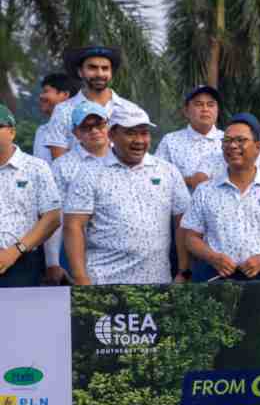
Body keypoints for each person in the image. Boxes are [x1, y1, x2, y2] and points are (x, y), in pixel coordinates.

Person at [62, 105, 190, 285]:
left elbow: (182, 223)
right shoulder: (89, 173)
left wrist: (184, 271)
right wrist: (82, 279)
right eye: (130, 133)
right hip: (102, 283)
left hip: (157, 283)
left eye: (144, 133)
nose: (139, 140)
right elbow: (73, 226)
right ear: (112, 135)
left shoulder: (167, 171)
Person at [181, 113, 260, 282]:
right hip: (214, 277)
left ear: (258, 146)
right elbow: (190, 237)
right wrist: (213, 257)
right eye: (227, 141)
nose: (232, 146)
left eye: (240, 140)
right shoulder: (205, 190)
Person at [44, 102, 112, 285]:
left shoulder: (125, 158)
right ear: (76, 133)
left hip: (116, 251)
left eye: (99, 125)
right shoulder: (62, 166)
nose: (95, 131)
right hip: (76, 251)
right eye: (86, 127)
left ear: (108, 125)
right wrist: (53, 262)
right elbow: (54, 216)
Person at [0, 105, 61, 287]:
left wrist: (16, 251)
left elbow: (52, 217)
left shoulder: (36, 167)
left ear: (11, 132)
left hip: (22, 262)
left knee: (18, 316)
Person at [44, 45, 140, 157]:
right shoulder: (63, 110)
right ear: (80, 72)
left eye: (105, 68)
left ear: (111, 73)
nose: (99, 74)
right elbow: (59, 162)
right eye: (92, 68)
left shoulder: (129, 109)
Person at [155, 85, 225, 191]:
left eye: (210, 105)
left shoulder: (228, 140)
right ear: (186, 111)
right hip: (182, 207)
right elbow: (155, 178)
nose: (205, 109)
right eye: (199, 104)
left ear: (217, 110)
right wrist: (189, 180)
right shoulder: (170, 141)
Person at [32, 73, 79, 162]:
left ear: (65, 94)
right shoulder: (41, 130)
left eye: (46, 91)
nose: (41, 96)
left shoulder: (79, 126)